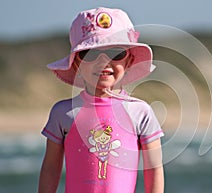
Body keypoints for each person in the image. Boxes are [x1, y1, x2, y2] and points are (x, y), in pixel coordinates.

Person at [38, 7, 164, 193]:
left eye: (116, 53)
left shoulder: (140, 112)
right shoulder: (63, 112)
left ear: (128, 61)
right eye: (91, 54)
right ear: (77, 63)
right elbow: (50, 168)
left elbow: (154, 168)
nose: (104, 61)